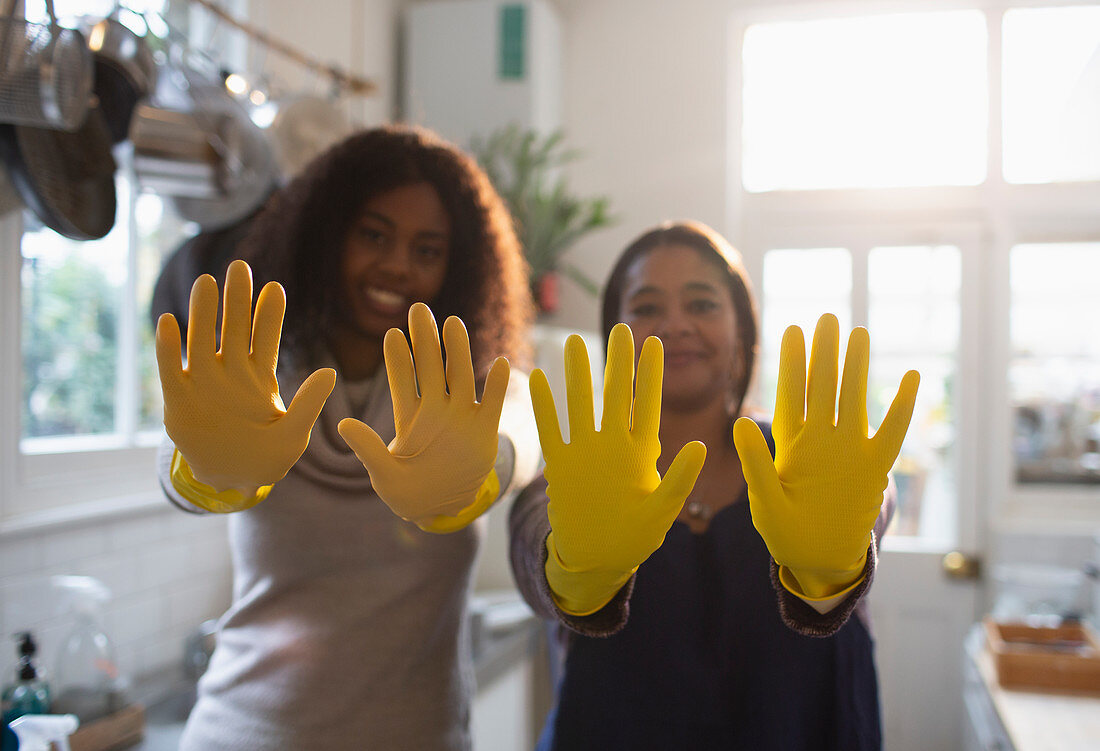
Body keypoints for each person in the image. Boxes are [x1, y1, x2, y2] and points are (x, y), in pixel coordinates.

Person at [152, 125, 539, 751]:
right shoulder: (261, 371)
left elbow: (521, 440)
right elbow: (178, 470)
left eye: (428, 249)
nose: (396, 266)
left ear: (459, 265)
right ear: (328, 233)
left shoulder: (473, 388)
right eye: (373, 235)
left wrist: (477, 474)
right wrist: (205, 472)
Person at [509, 220, 919, 750]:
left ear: (743, 335)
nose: (675, 324)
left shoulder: (802, 459)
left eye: (701, 304)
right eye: (647, 307)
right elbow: (531, 533)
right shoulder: (583, 479)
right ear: (614, 333)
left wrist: (839, 561)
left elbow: (868, 502)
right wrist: (571, 569)